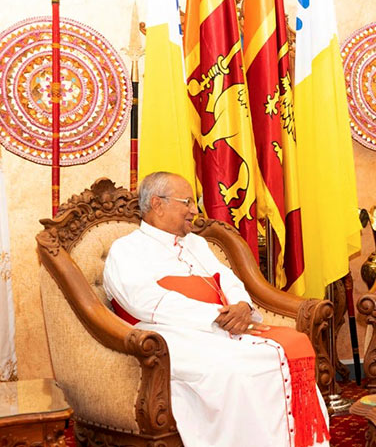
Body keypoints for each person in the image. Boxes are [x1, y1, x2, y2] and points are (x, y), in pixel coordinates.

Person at [103, 171, 329, 447]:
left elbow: (229, 280)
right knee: (233, 371)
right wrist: (216, 317)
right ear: (157, 205)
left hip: (219, 329)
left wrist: (242, 306)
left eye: (193, 201)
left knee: (284, 352)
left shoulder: (197, 244)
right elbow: (145, 301)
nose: (193, 210)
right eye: (186, 201)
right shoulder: (126, 249)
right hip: (162, 334)